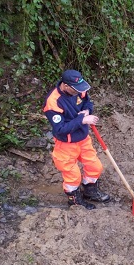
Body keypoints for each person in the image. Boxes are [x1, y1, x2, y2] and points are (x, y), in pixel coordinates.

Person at [43, 69, 110, 209]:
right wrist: (83, 119)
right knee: (72, 175)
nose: (79, 92)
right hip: (66, 144)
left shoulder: (79, 89)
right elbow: (60, 129)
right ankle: (75, 201)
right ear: (65, 86)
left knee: (95, 166)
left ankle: (90, 191)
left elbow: (87, 102)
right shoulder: (53, 102)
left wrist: (87, 111)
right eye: (76, 89)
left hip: (83, 138)